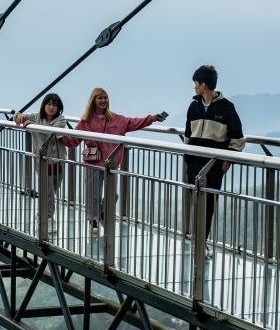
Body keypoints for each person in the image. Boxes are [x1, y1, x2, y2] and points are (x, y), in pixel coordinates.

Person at [71, 87, 166, 236]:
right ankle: (93, 221)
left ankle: (101, 214)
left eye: (105, 98)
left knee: (113, 195)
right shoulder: (86, 121)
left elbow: (135, 122)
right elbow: (73, 139)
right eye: (99, 98)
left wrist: (153, 118)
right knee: (93, 194)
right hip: (93, 162)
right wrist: (57, 136)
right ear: (93, 101)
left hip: (111, 164)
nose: (103, 101)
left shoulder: (117, 119)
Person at [183, 64, 245, 251]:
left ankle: (202, 243)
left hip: (214, 167)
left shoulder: (227, 108)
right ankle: (195, 240)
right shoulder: (194, 106)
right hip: (194, 164)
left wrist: (223, 166)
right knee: (195, 202)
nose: (194, 86)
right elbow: (187, 135)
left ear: (204, 85)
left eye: (196, 83)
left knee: (208, 205)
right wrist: (188, 160)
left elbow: (238, 140)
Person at [14, 93, 72, 233]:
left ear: (59, 108)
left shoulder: (61, 120)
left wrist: (31, 126)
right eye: (49, 104)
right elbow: (18, 116)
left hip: (57, 162)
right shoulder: (37, 116)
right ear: (44, 105)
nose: (51, 107)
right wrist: (20, 116)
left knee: (53, 190)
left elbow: (50, 135)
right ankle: (48, 219)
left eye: (55, 105)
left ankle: (41, 214)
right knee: (49, 193)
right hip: (42, 161)